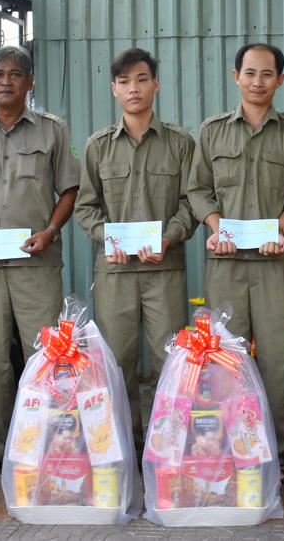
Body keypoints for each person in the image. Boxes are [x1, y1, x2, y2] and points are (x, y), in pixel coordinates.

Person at [0, 45, 80, 476]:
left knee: (44, 351)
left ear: (30, 81)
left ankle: (46, 435)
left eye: (15, 74)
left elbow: (69, 191)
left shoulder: (51, 131)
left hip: (35, 261)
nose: (6, 80)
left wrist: (51, 231)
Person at [187, 43, 284, 481]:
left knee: (278, 359)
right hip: (225, 263)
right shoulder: (212, 131)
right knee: (226, 359)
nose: (258, 82)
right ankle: (228, 447)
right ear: (236, 76)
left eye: (268, 74)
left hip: (276, 262)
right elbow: (198, 190)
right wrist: (215, 225)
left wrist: (283, 226)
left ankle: (275, 453)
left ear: (280, 80)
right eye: (250, 73)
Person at [75, 47, 196, 447]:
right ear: (113, 89)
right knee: (116, 363)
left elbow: (191, 204)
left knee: (169, 361)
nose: (134, 89)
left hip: (165, 269)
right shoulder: (98, 146)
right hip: (114, 273)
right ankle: (123, 446)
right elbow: (85, 207)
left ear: (156, 84)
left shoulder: (180, 143)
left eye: (142, 79)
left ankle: (168, 445)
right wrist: (106, 236)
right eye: (124, 82)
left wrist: (169, 236)